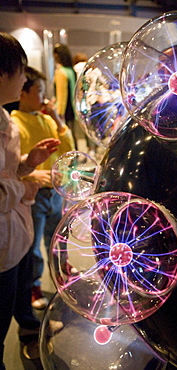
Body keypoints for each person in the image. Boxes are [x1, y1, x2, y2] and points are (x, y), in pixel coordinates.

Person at [0, 32, 60, 368]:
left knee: (20, 289)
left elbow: (7, 170)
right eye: (21, 71)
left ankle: (28, 328)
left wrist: (28, 162)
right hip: (3, 240)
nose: (25, 78)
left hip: (16, 233)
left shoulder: (4, 117)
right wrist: (27, 185)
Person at [11, 66, 75, 310]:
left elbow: (67, 148)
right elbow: (16, 164)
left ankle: (62, 273)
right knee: (33, 244)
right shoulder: (15, 123)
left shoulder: (46, 119)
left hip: (55, 191)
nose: (43, 96)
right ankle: (34, 286)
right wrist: (33, 174)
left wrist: (58, 119)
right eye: (38, 91)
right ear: (23, 93)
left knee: (58, 238)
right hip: (32, 194)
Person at [53, 43, 78, 148]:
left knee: (67, 133)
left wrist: (59, 112)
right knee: (72, 133)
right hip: (72, 106)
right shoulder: (71, 70)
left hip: (65, 108)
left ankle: (71, 156)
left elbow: (61, 94)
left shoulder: (61, 72)